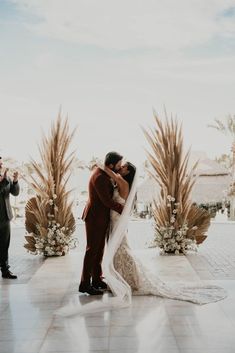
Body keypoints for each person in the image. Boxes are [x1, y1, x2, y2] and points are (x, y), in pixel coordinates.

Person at [79, 151, 124, 295]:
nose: (120, 166)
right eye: (118, 164)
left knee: (99, 251)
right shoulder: (100, 177)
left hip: (100, 217)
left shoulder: (103, 174)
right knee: (92, 250)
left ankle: (96, 280)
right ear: (111, 165)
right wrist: (123, 209)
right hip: (95, 218)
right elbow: (106, 201)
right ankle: (85, 284)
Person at [0, 156, 20, 279]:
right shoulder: (4, 179)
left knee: (4, 245)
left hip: (6, 217)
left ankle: (5, 270)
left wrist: (16, 181)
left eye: (1, 163)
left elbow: (15, 192)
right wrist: (3, 181)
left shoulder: (6, 177)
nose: (1, 166)